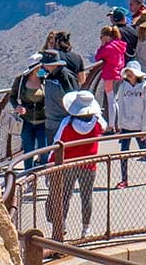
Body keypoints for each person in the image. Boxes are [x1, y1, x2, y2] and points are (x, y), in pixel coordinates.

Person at [47, 90, 105, 241]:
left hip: (68, 163)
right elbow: (105, 126)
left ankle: (62, 225)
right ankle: (86, 229)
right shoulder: (97, 123)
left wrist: (49, 164)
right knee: (87, 196)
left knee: (65, 196)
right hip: (88, 164)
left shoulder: (67, 123)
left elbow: (57, 143)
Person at [114, 61, 146, 189]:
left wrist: (145, 128)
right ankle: (124, 179)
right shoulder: (123, 87)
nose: (129, 75)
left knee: (144, 150)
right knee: (124, 153)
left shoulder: (145, 87)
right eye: (127, 72)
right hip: (126, 124)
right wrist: (119, 123)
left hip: (140, 125)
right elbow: (120, 105)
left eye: (131, 73)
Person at [10, 54, 46, 170]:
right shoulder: (20, 80)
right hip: (27, 122)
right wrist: (17, 107)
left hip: (43, 121)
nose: (42, 69)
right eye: (39, 67)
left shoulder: (45, 79)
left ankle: (46, 176)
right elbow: (13, 97)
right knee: (28, 151)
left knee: (44, 150)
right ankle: (28, 176)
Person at [41, 50, 79, 146]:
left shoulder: (65, 76)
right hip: (51, 122)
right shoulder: (49, 75)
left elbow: (73, 98)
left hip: (64, 122)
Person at [95, 25, 127, 130]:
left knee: (111, 101)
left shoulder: (108, 48)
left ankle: (112, 125)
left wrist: (102, 45)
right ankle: (119, 124)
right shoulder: (120, 45)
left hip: (109, 76)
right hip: (119, 74)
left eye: (101, 36)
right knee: (116, 100)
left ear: (106, 36)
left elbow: (98, 57)